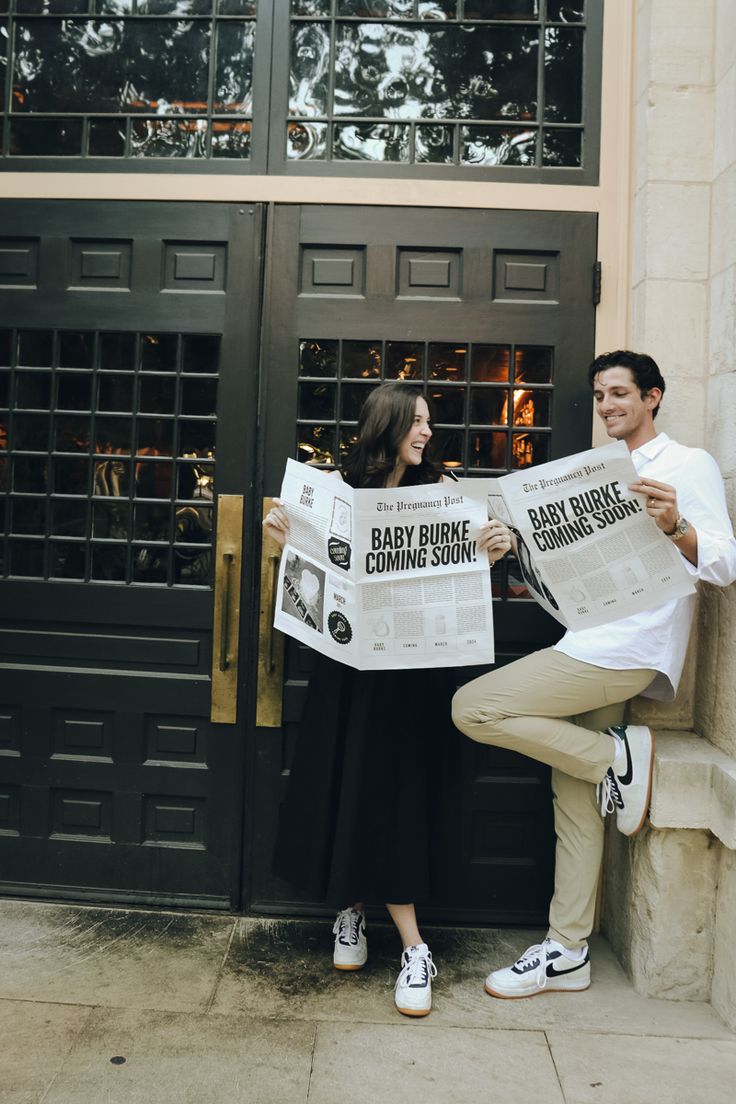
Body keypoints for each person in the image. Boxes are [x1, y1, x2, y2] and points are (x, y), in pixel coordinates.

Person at [452, 350, 736, 999]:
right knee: (574, 803)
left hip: (627, 651)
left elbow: (724, 562)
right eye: (601, 396)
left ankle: (614, 757)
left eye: (620, 394)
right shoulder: (591, 474)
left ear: (653, 397)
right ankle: (568, 950)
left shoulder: (686, 465)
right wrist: (513, 551)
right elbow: (564, 577)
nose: (608, 406)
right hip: (586, 635)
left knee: (474, 707)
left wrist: (678, 526)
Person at [264, 382, 510, 1017]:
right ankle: (349, 910)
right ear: (388, 424)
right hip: (346, 671)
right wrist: (280, 540)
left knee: (397, 794)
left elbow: (464, 577)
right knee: (343, 779)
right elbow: (302, 587)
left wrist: (490, 552)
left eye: (430, 422)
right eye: (417, 422)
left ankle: (413, 946)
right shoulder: (338, 492)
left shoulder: (445, 493)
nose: (427, 433)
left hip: (414, 676)